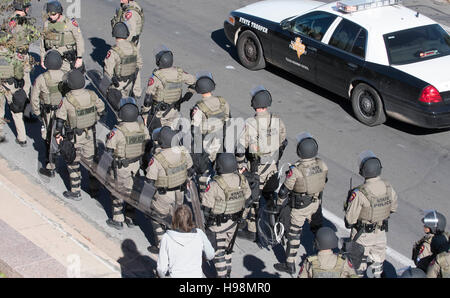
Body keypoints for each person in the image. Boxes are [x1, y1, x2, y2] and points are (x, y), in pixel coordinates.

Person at [236, 86, 287, 241]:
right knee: (270, 195)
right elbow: (283, 141)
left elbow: (240, 148)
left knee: (253, 198)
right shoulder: (277, 121)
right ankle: (274, 224)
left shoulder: (251, 123)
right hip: (272, 166)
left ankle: (252, 230)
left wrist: (240, 166)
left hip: (256, 168)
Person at [274, 133, 328, 274]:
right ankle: (323, 258)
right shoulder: (322, 164)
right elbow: (324, 181)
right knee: (318, 231)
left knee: (294, 235)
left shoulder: (296, 170)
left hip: (299, 207)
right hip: (316, 203)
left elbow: (284, 191)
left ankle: (290, 263)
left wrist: (279, 206)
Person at [343, 150, 398, 278]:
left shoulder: (360, 193)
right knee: (378, 263)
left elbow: (350, 220)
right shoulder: (388, 187)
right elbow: (393, 208)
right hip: (381, 232)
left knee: (358, 265)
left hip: (363, 235)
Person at [54, 69, 105, 200]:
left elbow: (60, 120)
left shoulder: (67, 100)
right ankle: (94, 189)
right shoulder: (92, 95)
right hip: (90, 135)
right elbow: (102, 110)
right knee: (91, 163)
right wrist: (94, 119)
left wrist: (58, 135)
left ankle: (76, 191)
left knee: (73, 163)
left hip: (74, 137)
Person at [200, 153, 252, 278]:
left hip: (218, 225)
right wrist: (243, 216)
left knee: (219, 252)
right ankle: (228, 271)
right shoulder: (242, 179)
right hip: (235, 222)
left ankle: (222, 275)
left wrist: (207, 223)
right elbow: (248, 200)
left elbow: (206, 207)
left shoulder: (214, 184)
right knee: (229, 249)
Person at [145, 126, 194, 254]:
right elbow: (190, 167)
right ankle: (178, 241)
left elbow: (150, 179)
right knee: (177, 217)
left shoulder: (158, 159)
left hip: (164, 194)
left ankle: (161, 245)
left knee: (156, 216)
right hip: (180, 192)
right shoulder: (183, 151)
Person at [104, 97, 150, 230]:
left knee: (118, 190)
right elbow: (147, 143)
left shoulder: (118, 131)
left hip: (121, 166)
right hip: (136, 164)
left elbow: (109, 149)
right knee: (132, 190)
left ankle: (118, 219)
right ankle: (131, 217)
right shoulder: (142, 128)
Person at [141, 46, 196, 130]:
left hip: (159, 113)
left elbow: (148, 99)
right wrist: (188, 95)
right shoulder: (179, 73)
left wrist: (145, 115)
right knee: (172, 133)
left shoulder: (156, 77)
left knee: (156, 135)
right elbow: (194, 82)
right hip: (175, 110)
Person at [31, 50, 65, 177]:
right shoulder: (66, 76)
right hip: (64, 111)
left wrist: (37, 112)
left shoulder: (41, 79)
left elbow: (34, 97)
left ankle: (50, 166)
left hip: (49, 113)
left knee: (49, 137)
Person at [157, 204, 215, 278]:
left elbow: (161, 268)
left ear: (174, 219)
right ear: (190, 219)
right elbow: (210, 255)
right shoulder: (199, 234)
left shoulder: (167, 238)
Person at [110, 0, 144, 98]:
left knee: (130, 67)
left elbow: (130, 32)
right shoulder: (127, 7)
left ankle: (131, 91)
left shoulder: (130, 13)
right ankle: (135, 91)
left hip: (129, 45)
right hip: (132, 44)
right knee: (134, 66)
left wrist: (122, 46)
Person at [40, 0, 85, 73]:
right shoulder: (47, 24)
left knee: (69, 79)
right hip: (53, 58)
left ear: (59, 12)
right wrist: (42, 58)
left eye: (53, 14)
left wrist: (79, 57)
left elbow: (79, 39)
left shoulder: (69, 23)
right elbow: (42, 42)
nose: (51, 17)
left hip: (67, 59)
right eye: (49, 14)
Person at [7, 0, 40, 97]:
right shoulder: (23, 22)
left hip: (12, 56)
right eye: (27, 7)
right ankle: (24, 106)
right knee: (26, 84)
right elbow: (35, 35)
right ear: (23, 8)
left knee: (13, 85)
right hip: (21, 56)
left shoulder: (10, 19)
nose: (28, 9)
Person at [0, 31, 27, 146]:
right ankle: (22, 138)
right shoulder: (14, 54)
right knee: (16, 112)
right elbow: (22, 72)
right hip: (11, 85)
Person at [104, 22, 142, 100]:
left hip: (118, 85)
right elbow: (139, 65)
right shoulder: (134, 48)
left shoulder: (114, 51)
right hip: (130, 83)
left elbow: (108, 72)